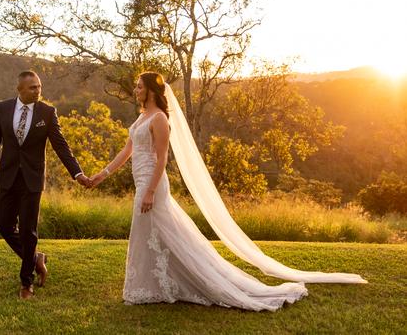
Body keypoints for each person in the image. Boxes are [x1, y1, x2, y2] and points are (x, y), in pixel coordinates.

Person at [89, 72, 366, 311]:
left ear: (151, 90)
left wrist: (150, 191)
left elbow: (161, 159)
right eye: (136, 86)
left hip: (152, 184)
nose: (136, 90)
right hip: (141, 181)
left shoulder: (160, 118)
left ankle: (175, 284)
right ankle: (152, 287)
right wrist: (102, 175)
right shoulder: (142, 117)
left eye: (139, 86)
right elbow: (128, 151)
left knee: (150, 230)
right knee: (150, 233)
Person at [0, 70, 91, 300]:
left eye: (39, 87)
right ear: (20, 89)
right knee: (3, 225)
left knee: (29, 231)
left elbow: (61, 145)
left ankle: (26, 283)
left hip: (32, 180)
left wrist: (77, 172)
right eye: (32, 88)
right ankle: (36, 258)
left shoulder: (47, 113)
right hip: (8, 177)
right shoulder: (3, 108)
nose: (38, 91)